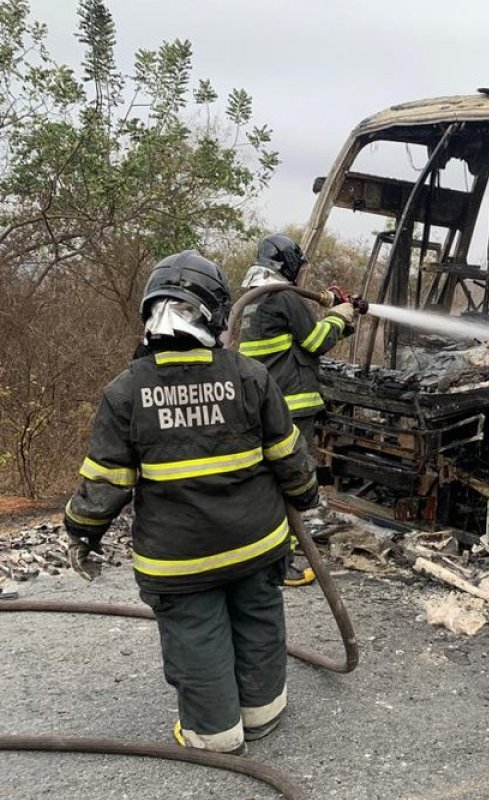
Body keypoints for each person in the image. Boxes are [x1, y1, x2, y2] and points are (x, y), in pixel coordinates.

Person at [63, 251, 318, 755]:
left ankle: (214, 732)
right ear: (218, 312)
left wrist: (81, 532)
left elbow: (106, 482)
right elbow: (288, 452)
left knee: (197, 634)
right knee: (259, 618)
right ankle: (262, 713)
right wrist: (305, 495)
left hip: (181, 560)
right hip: (257, 544)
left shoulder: (126, 392)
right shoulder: (249, 377)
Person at [238, 233, 356, 586]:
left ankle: (262, 551)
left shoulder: (252, 299)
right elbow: (315, 342)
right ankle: (283, 562)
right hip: (291, 405)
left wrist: (333, 310)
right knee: (291, 480)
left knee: (266, 480)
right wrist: (338, 317)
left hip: (262, 403)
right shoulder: (283, 296)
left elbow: (293, 343)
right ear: (286, 263)